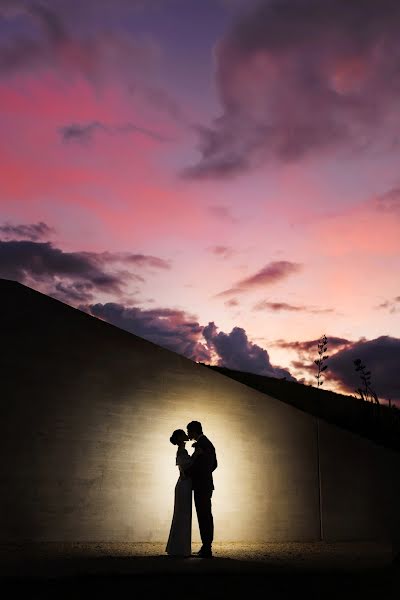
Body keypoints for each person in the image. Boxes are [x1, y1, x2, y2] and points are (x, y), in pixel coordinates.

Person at [165, 429, 203, 557]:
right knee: (183, 515)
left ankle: (179, 548)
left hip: (185, 485)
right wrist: (197, 454)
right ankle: (180, 550)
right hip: (184, 485)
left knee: (183, 515)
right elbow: (187, 468)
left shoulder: (182, 450)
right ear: (181, 438)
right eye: (184, 433)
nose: (187, 435)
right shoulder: (182, 450)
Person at [184, 421, 217, 558]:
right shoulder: (206, 442)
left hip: (201, 486)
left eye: (189, 431)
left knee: (203, 515)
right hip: (205, 485)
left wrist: (189, 472)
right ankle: (206, 546)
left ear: (194, 431)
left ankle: (207, 548)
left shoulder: (203, 444)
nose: (188, 434)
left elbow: (204, 465)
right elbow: (214, 465)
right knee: (205, 515)